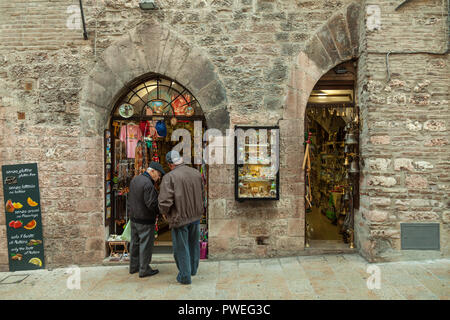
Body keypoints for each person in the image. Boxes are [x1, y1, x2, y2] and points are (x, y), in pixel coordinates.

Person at [158, 150, 204, 284]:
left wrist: (163, 212)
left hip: (180, 217)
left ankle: (185, 276)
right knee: (193, 244)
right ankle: (193, 270)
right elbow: (202, 194)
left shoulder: (170, 177)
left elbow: (164, 201)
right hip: (195, 216)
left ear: (170, 164)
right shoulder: (196, 173)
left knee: (181, 247)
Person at [128, 161, 165, 278]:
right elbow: (152, 204)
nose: (158, 178)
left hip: (134, 218)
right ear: (152, 171)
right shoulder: (148, 184)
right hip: (145, 219)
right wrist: (160, 212)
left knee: (135, 243)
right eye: (158, 175)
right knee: (145, 245)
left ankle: (133, 267)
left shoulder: (135, 179)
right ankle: (144, 269)